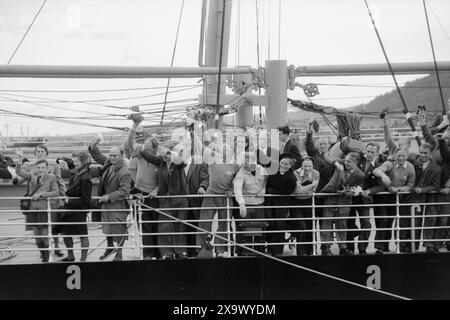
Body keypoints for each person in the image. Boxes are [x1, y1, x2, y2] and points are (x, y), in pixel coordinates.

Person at [138, 142, 190, 259]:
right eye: (163, 152)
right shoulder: (160, 162)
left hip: (180, 199)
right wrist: (141, 149)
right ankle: (166, 252)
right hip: (165, 199)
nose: (164, 155)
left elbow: (182, 161)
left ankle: (180, 251)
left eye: (167, 152)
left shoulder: (178, 163)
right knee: (164, 226)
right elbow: (149, 157)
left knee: (179, 225)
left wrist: (171, 154)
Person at [196, 139, 240, 258]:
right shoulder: (213, 158)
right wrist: (193, 130)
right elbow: (200, 147)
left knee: (224, 224)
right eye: (223, 148)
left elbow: (239, 181)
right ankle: (201, 248)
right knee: (204, 222)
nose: (224, 150)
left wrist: (231, 190)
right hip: (211, 194)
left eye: (227, 148)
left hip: (226, 197)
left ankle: (220, 250)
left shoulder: (236, 165)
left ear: (232, 152)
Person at [126, 116, 161, 259]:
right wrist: (134, 125)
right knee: (143, 225)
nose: (144, 148)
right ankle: (148, 254)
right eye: (143, 146)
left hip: (155, 195)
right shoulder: (140, 154)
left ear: (154, 148)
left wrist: (156, 189)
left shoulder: (159, 158)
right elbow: (130, 142)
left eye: (147, 147)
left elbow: (165, 177)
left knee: (156, 225)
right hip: (140, 193)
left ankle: (159, 254)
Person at [89, 145, 132, 261]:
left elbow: (124, 191)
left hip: (117, 205)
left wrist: (108, 197)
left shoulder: (125, 172)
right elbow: (98, 157)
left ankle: (119, 253)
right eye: (111, 155)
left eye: (115, 155)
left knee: (119, 229)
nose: (112, 158)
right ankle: (110, 247)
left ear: (121, 156)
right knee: (107, 227)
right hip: (106, 205)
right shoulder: (109, 166)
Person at [319, 152, 365, 256]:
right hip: (330, 196)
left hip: (344, 200)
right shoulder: (341, 163)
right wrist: (336, 163)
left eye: (349, 162)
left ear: (355, 163)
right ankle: (326, 247)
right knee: (327, 222)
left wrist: (349, 191)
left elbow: (360, 188)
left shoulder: (360, 175)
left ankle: (343, 247)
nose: (346, 163)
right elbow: (327, 156)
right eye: (346, 160)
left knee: (342, 224)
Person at [15, 157, 59, 262]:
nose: (40, 169)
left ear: (47, 168)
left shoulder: (51, 177)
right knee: (37, 237)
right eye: (38, 167)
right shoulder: (32, 175)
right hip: (32, 210)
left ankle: (47, 258)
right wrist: (20, 160)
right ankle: (43, 256)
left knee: (44, 236)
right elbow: (19, 172)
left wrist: (42, 194)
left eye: (43, 167)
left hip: (44, 210)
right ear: (35, 168)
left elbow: (56, 192)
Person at [373, 148, 416, 254]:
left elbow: (410, 185)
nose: (401, 158)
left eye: (403, 155)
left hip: (397, 196)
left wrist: (399, 189)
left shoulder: (410, 167)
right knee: (383, 220)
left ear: (407, 156)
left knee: (392, 221)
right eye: (399, 155)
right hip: (384, 196)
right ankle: (380, 247)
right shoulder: (390, 163)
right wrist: (383, 175)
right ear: (395, 156)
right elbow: (376, 170)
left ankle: (389, 246)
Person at [346, 142, 385, 254]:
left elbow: (381, 185)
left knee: (367, 222)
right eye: (368, 151)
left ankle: (362, 249)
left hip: (364, 199)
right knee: (349, 222)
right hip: (350, 197)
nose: (369, 154)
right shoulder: (358, 160)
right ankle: (350, 248)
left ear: (377, 153)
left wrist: (370, 191)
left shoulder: (379, 167)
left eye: (372, 152)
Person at [403, 143, 441, 253]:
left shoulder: (436, 168)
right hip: (415, 197)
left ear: (430, 154)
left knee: (431, 219)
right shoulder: (412, 163)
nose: (423, 155)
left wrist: (423, 189)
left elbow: (436, 185)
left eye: (425, 153)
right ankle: (412, 245)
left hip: (429, 196)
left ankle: (428, 244)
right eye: (421, 152)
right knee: (415, 221)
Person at [54, 152, 92, 262]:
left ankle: (83, 260)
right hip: (69, 209)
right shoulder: (79, 172)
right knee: (65, 232)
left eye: (77, 161)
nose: (75, 164)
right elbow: (69, 167)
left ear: (83, 162)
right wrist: (61, 161)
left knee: (82, 235)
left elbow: (86, 200)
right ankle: (71, 256)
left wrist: (69, 200)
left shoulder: (85, 177)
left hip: (78, 210)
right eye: (74, 161)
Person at [233, 152, 267, 255]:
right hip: (247, 204)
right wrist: (241, 204)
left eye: (247, 161)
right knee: (243, 229)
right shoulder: (241, 173)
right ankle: (242, 252)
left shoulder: (262, 170)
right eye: (244, 161)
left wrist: (263, 190)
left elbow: (266, 181)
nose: (245, 164)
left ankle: (259, 251)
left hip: (260, 204)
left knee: (260, 229)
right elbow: (237, 188)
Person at [265, 153, 297, 256]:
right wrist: (272, 191)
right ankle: (269, 248)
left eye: (286, 164)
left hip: (282, 205)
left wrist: (272, 191)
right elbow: (267, 185)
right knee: (270, 225)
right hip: (270, 203)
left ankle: (277, 251)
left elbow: (286, 192)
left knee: (280, 226)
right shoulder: (273, 172)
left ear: (290, 165)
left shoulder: (291, 177)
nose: (283, 165)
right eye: (282, 163)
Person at [290, 157, 320, 255]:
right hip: (297, 202)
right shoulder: (296, 173)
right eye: (305, 166)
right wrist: (312, 185)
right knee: (301, 226)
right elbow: (299, 191)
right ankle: (301, 251)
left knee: (311, 226)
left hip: (309, 201)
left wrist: (306, 187)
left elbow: (313, 189)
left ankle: (311, 250)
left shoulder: (316, 173)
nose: (307, 168)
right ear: (302, 166)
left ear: (313, 166)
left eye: (309, 166)